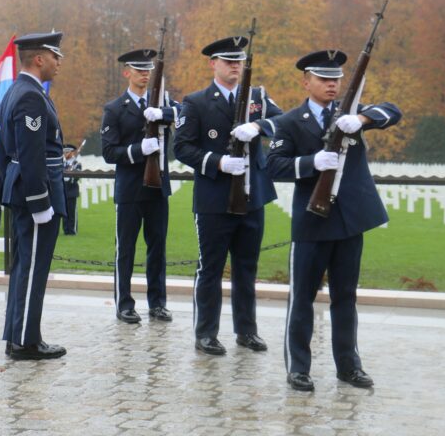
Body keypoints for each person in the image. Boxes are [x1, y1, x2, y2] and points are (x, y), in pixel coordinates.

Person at [267, 49, 402, 391]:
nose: (332, 85)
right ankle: (299, 367)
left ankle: (348, 365)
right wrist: (313, 162)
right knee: (302, 298)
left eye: (337, 79)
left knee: (346, 296)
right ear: (306, 81)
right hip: (312, 223)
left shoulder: (351, 115)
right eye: (324, 79)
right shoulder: (289, 122)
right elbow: (274, 165)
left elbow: (392, 110)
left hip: (347, 222)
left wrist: (362, 120)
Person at [174, 36, 282, 355]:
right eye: (227, 60)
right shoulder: (195, 102)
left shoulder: (257, 97)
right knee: (210, 268)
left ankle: (246, 331)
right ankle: (206, 333)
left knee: (246, 268)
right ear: (213, 64)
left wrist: (259, 126)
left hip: (252, 196)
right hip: (214, 199)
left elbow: (284, 122)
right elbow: (181, 147)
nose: (235, 65)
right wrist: (217, 161)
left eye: (239, 60)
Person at [0, 31, 67, 360]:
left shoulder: (16, 92)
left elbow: (3, 152)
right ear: (39, 59)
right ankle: (26, 341)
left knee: (24, 265)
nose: (58, 62)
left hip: (24, 189)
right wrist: (40, 202)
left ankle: (18, 335)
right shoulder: (30, 96)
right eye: (55, 56)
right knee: (32, 267)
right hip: (37, 193)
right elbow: (31, 153)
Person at [100, 48, 180, 324]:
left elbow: (183, 114)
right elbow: (109, 153)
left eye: (148, 69)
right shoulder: (114, 108)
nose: (144, 73)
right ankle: (124, 304)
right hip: (131, 189)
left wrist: (164, 112)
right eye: (139, 69)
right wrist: (138, 149)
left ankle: (157, 303)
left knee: (157, 247)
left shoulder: (162, 102)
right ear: (127, 73)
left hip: (157, 188)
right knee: (126, 249)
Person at [61, 145, 81, 235]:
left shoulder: (77, 164)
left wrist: (71, 172)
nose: (65, 154)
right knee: (64, 212)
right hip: (63, 190)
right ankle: (66, 229)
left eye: (67, 152)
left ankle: (72, 230)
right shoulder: (62, 164)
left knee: (72, 212)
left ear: (72, 152)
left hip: (72, 190)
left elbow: (77, 177)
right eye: (64, 152)